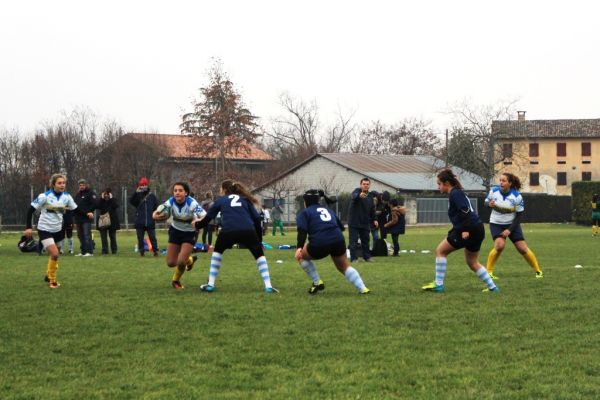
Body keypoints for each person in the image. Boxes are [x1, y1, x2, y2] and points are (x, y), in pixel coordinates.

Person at [194, 179, 278, 293]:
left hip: (228, 230)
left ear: (224, 189)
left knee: (217, 252)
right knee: (259, 256)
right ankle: (268, 286)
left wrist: (197, 224)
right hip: (248, 230)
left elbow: (208, 219)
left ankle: (210, 284)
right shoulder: (245, 200)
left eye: (220, 189)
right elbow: (257, 219)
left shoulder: (221, 200)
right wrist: (259, 240)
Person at [422, 169, 498, 293]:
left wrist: (465, 230)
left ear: (446, 183)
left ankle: (438, 284)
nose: (438, 187)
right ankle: (493, 287)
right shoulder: (457, 193)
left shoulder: (455, 193)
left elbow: (465, 210)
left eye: (439, 184)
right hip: (478, 228)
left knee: (440, 251)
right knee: (472, 262)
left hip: (469, 228)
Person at [24, 173, 94, 288]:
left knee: (55, 255)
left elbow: (76, 209)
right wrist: (28, 227)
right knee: (55, 253)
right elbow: (30, 210)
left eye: (64, 183)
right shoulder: (44, 196)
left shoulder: (66, 197)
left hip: (58, 230)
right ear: (53, 184)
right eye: (59, 183)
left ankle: (48, 274)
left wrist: (87, 214)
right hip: (44, 229)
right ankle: (52, 280)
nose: (62, 185)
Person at [295, 189, 370, 294]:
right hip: (338, 240)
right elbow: (341, 227)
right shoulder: (328, 210)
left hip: (320, 243)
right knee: (344, 266)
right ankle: (363, 288)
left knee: (300, 256)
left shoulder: (304, 212)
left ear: (305, 201)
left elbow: (302, 231)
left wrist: (299, 247)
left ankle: (317, 282)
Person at [485, 173, 543, 279]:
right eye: (500, 180)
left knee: (522, 248)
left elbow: (519, 216)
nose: (501, 183)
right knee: (499, 246)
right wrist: (489, 204)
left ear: (510, 183)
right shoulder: (493, 191)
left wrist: (509, 230)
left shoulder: (517, 196)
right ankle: (489, 272)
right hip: (496, 223)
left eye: (504, 181)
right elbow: (486, 202)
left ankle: (538, 271)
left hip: (512, 224)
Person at [153, 182, 205, 289]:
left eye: (180, 190)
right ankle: (190, 260)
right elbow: (160, 211)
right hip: (175, 231)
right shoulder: (170, 201)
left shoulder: (192, 203)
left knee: (181, 262)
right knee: (171, 263)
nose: (177, 193)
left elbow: (204, 215)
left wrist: (199, 221)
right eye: (175, 190)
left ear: (186, 193)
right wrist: (155, 214)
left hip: (190, 233)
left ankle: (176, 281)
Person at [347, 178, 378, 262]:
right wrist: (359, 195)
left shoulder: (370, 196)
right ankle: (354, 258)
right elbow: (354, 196)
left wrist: (374, 219)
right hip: (354, 222)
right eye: (364, 184)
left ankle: (367, 257)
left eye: (367, 184)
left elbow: (372, 209)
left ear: (369, 185)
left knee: (366, 241)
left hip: (365, 222)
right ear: (361, 185)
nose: (365, 185)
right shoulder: (356, 191)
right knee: (353, 241)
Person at [129, 177, 160, 257]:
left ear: (147, 185)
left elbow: (156, 206)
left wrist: (156, 214)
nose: (144, 186)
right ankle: (141, 251)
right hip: (140, 221)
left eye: (145, 185)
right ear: (140, 186)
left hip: (150, 221)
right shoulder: (137, 195)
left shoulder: (152, 196)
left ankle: (155, 251)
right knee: (140, 238)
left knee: (153, 237)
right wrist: (136, 192)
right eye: (142, 185)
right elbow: (131, 201)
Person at [73, 178, 98, 256]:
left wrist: (90, 211)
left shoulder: (91, 193)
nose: (81, 186)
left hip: (86, 218)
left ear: (86, 185)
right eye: (80, 185)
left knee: (87, 234)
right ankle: (83, 251)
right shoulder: (78, 194)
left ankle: (89, 252)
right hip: (78, 218)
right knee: (80, 235)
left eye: (83, 185)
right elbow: (74, 205)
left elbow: (95, 203)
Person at [96, 188, 120, 255]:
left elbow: (115, 206)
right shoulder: (101, 201)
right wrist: (101, 198)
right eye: (105, 194)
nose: (106, 195)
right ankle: (104, 250)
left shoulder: (113, 200)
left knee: (112, 236)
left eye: (107, 194)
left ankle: (114, 250)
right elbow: (97, 206)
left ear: (110, 194)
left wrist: (111, 199)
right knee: (103, 237)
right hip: (103, 220)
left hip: (112, 221)